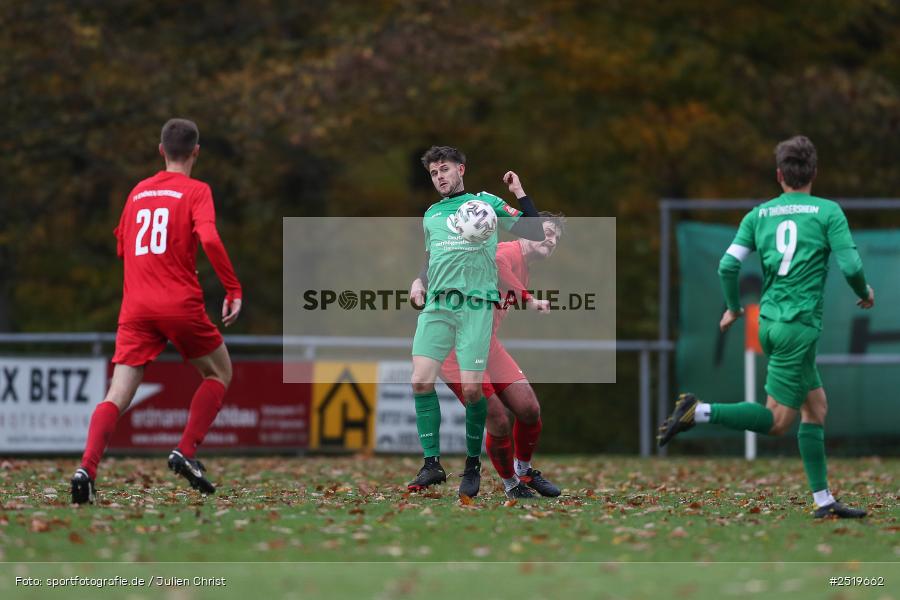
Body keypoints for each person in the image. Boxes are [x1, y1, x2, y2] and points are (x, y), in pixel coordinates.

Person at [658, 135, 873, 519]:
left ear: (779, 175)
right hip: (797, 327)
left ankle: (824, 501)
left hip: (770, 323)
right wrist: (865, 293)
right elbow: (852, 266)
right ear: (814, 172)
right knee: (777, 421)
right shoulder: (828, 212)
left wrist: (733, 308)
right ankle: (699, 412)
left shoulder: (758, 216)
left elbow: (728, 265)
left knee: (816, 407)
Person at [71, 118, 242, 504]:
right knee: (219, 372)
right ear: (196, 152)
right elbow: (210, 237)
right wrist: (232, 288)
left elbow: (123, 248)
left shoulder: (137, 192)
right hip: (178, 302)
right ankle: (185, 450)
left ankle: (86, 468)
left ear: (161, 150)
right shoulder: (197, 190)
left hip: (136, 307)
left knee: (117, 394)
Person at [408, 145, 545, 498]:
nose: (439, 177)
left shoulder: (485, 204)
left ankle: (491, 469)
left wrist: (518, 192)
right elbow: (432, 257)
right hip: (439, 308)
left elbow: (535, 233)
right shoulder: (431, 214)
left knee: (511, 404)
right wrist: (419, 280)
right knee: (422, 382)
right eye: (434, 173)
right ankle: (435, 464)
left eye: (445, 169)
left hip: (476, 308)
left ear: (461, 170)